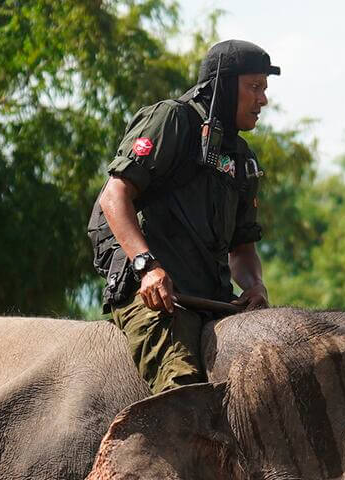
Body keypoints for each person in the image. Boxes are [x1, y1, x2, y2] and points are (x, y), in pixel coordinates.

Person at [89, 39, 277, 392]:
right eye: (254, 87)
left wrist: (254, 286)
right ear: (223, 85)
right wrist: (147, 267)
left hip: (212, 300)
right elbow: (114, 196)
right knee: (185, 393)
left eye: (264, 89)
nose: (263, 100)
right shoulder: (172, 119)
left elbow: (242, 249)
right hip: (152, 295)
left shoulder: (242, 158)